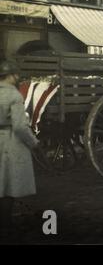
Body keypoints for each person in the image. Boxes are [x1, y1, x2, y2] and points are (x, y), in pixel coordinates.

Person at [0, 61, 39, 241]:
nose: (17, 78)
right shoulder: (14, 95)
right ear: (11, 76)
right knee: (9, 183)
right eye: (16, 75)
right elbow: (20, 127)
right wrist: (33, 142)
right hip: (9, 143)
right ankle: (6, 225)